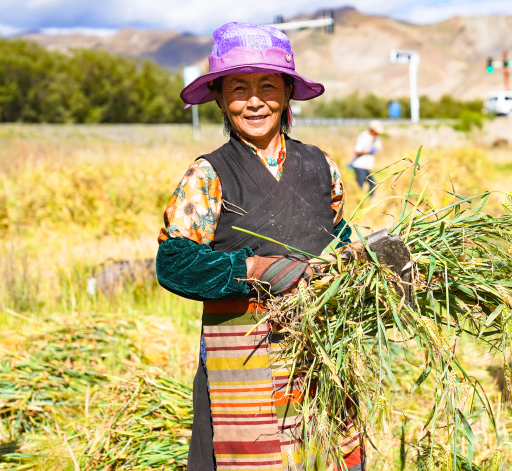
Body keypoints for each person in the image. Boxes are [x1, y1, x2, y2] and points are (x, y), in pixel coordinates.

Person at [155, 22, 364, 471]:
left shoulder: (320, 165)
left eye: (268, 85)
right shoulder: (207, 175)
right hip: (244, 357)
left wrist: (359, 260)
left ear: (287, 93)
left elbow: (338, 234)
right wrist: (253, 269)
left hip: (321, 351)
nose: (254, 101)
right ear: (220, 98)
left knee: (327, 456)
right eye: (238, 88)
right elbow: (174, 263)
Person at [349, 120, 384, 194]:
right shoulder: (364, 136)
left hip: (365, 166)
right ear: (372, 130)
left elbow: (379, 146)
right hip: (359, 165)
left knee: (373, 184)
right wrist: (368, 152)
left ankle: (367, 201)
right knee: (359, 187)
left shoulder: (375, 139)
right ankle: (358, 201)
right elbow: (357, 150)